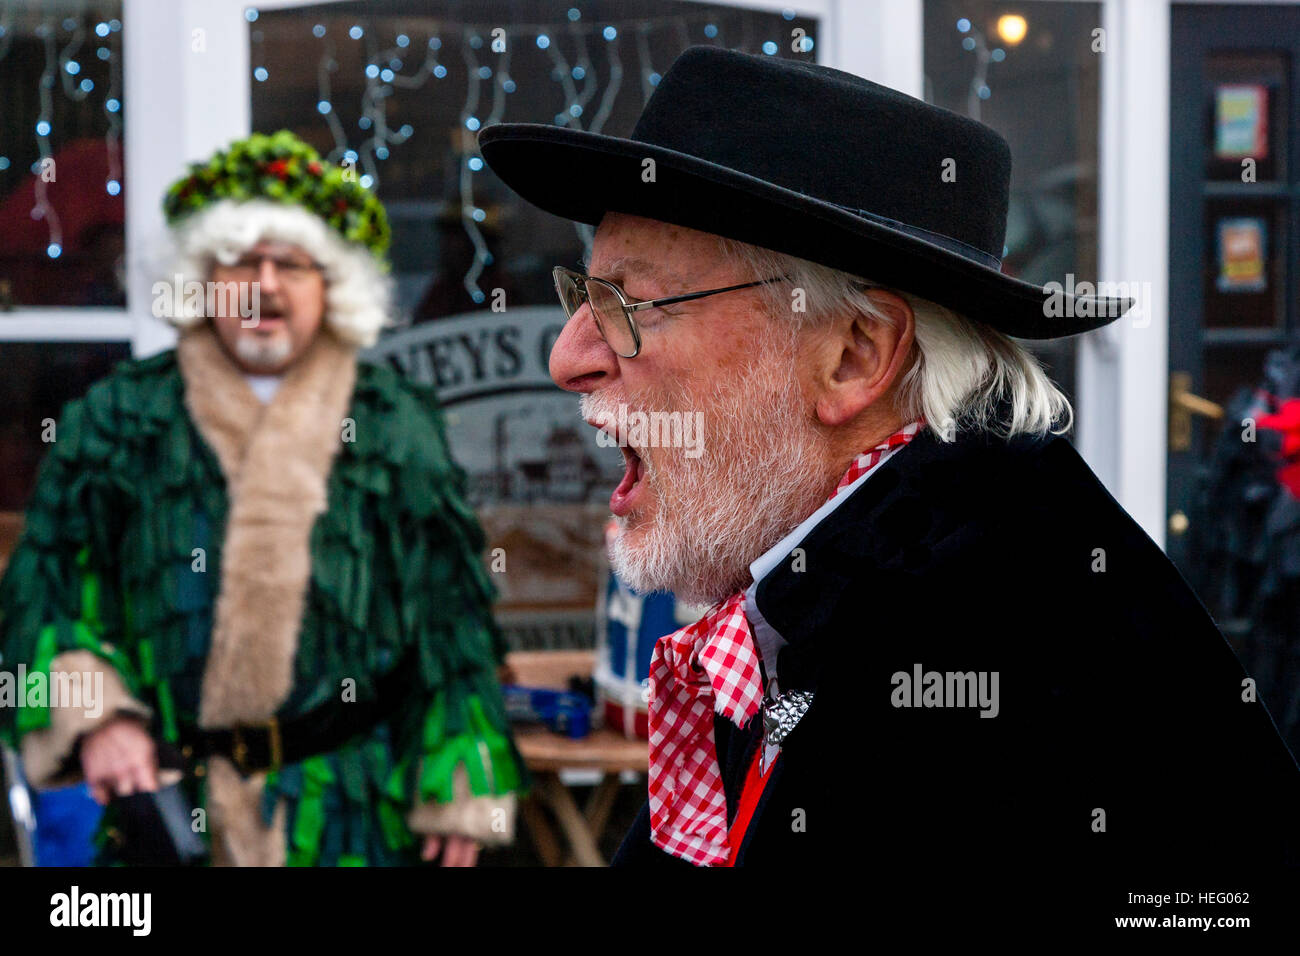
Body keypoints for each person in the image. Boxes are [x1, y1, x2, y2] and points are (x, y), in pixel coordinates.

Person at [479, 47, 1300, 875]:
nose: (568, 355)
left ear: (853, 355)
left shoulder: (997, 662)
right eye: (584, 295)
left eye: (628, 304)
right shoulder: (836, 586)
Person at [0, 131, 524, 866]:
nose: (266, 285)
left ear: (332, 285)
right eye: (243, 261)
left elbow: (448, 621)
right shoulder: (118, 417)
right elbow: (43, 593)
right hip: (170, 816)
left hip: (354, 812)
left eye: (293, 265)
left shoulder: (393, 422)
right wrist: (95, 717)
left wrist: (459, 781)